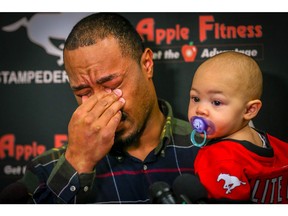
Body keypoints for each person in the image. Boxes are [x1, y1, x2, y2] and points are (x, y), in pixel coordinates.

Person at [0, 13, 199, 204]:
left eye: (112, 85)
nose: (102, 103)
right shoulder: (46, 170)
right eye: (83, 92)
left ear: (146, 64)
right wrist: (77, 163)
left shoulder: (206, 147)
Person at [188, 51, 288, 204]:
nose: (200, 109)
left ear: (249, 110)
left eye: (216, 102)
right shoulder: (281, 148)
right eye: (195, 98)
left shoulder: (216, 158)